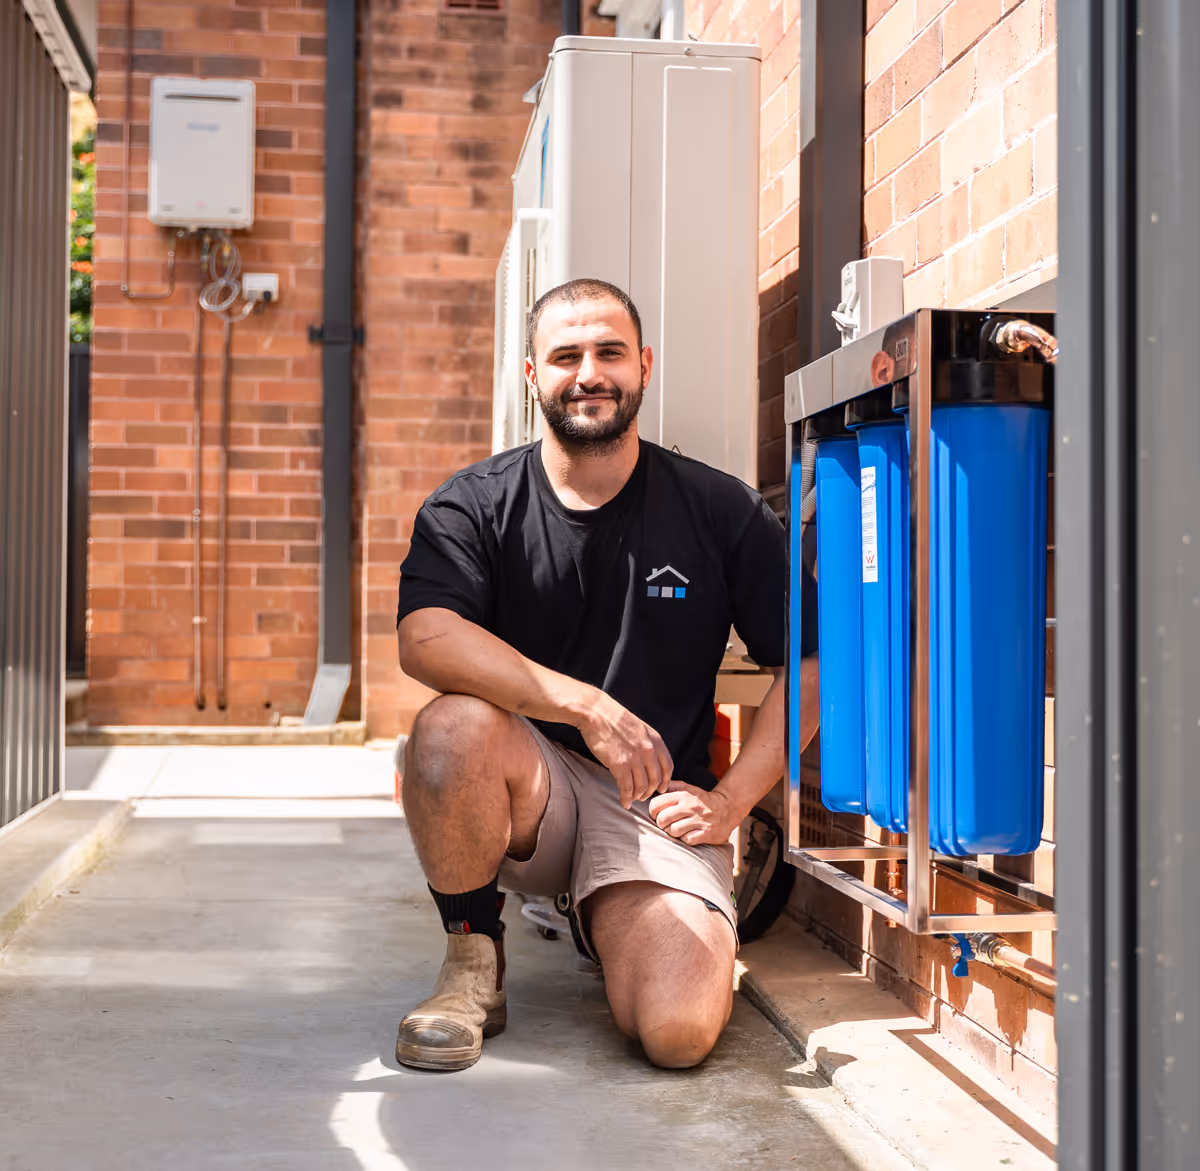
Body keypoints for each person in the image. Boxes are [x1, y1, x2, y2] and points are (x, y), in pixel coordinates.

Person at [393, 278, 819, 1072]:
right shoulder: (474, 505)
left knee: (678, 1032)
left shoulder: (719, 508)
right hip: (528, 793)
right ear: (532, 375)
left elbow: (808, 663)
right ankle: (472, 959)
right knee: (448, 727)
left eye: (609, 352)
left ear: (644, 366)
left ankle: (606, 912)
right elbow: (424, 637)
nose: (589, 373)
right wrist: (586, 706)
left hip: (652, 803)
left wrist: (732, 802)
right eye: (566, 356)